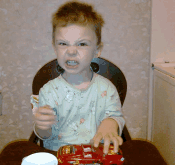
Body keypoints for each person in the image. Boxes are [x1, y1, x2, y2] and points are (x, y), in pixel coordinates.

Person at [30, 0, 125, 154]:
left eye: (81, 44)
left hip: (97, 154)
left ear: (97, 50)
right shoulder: (48, 91)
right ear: (54, 48)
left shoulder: (107, 89)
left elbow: (116, 116)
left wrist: (110, 123)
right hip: (59, 155)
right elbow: (45, 136)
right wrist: (42, 127)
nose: (71, 51)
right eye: (63, 43)